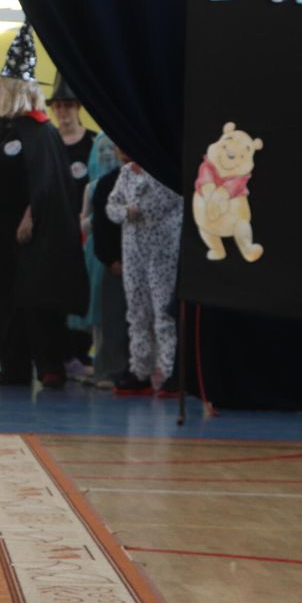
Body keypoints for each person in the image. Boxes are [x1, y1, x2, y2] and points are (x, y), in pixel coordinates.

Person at [0, 25, 88, 391]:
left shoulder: (41, 132)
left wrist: (31, 213)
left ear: (14, 89)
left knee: (37, 297)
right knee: (0, 298)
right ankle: (12, 366)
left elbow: (49, 182)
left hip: (34, 233)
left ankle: (49, 365)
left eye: (0, 84)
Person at [105, 157, 183, 396]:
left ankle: (170, 371)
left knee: (164, 312)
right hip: (133, 251)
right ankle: (140, 370)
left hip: (163, 250)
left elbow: (167, 201)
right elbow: (112, 205)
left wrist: (137, 207)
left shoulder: (165, 170)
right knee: (137, 311)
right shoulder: (127, 172)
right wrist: (125, 212)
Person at [49, 74, 98, 377]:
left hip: (86, 235)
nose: (62, 112)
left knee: (86, 292)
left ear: (77, 107)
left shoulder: (93, 143)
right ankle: (62, 354)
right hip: (57, 233)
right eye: (58, 106)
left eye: (68, 106)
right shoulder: (49, 141)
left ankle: (82, 352)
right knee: (59, 292)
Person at [85, 135, 128, 389]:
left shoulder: (151, 182)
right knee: (112, 320)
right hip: (115, 264)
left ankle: (142, 371)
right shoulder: (105, 184)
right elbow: (101, 225)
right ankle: (113, 370)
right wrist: (110, 259)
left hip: (145, 264)